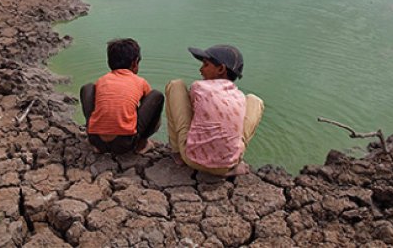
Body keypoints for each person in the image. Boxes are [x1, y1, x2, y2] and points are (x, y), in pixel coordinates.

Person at [165, 44, 264, 176]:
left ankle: (177, 152)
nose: (201, 70)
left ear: (221, 69)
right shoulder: (239, 96)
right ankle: (234, 161)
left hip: (192, 160)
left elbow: (193, 114)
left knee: (175, 85)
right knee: (255, 101)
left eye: (205, 65)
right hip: (228, 165)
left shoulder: (199, 87)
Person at [80, 38, 164, 154]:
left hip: (96, 140)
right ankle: (142, 144)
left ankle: (93, 135)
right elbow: (149, 110)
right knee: (156, 96)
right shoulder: (140, 81)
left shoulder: (102, 80)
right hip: (125, 144)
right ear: (135, 63)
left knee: (87, 88)